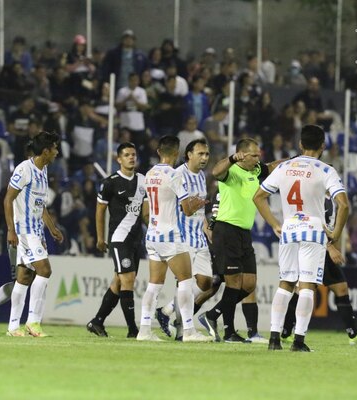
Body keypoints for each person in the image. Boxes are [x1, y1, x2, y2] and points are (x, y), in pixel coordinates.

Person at [253, 124, 350, 351]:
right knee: (307, 286)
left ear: (300, 144)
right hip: (313, 231)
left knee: (285, 283)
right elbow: (343, 204)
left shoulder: (285, 167)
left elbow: (258, 197)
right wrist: (335, 235)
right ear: (323, 146)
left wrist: (275, 223)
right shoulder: (325, 170)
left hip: (289, 229)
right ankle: (298, 341)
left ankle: (274, 339)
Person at [198, 138, 284, 343]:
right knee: (234, 282)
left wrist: (296, 160)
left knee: (249, 284)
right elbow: (216, 171)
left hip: (244, 233)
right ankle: (229, 332)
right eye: (254, 155)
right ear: (242, 155)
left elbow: (273, 166)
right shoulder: (232, 171)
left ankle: (212, 315)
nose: (258, 159)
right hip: (227, 230)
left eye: (258, 155)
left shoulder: (255, 170)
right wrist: (230, 159)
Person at [137, 135, 211, 342]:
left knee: (154, 285)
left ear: (159, 151)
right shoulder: (175, 175)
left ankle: (144, 330)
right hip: (170, 234)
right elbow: (186, 209)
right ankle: (188, 331)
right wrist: (197, 204)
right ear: (177, 153)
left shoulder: (150, 173)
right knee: (186, 282)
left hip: (152, 234)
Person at [279, 196, 357, 346]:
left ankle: (354, 334)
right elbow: (315, 225)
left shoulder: (328, 198)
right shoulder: (317, 198)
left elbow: (327, 226)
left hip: (323, 248)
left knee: (340, 288)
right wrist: (331, 248)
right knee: (305, 290)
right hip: (314, 248)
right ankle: (286, 332)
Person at [86, 142, 148, 338]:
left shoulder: (143, 181)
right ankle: (133, 330)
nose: (131, 158)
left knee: (119, 282)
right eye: (127, 155)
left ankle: (96, 321)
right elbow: (99, 212)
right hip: (119, 238)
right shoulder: (109, 182)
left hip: (137, 239)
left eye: (134, 154)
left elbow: (145, 213)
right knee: (128, 280)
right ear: (118, 159)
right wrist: (100, 238)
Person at [4, 131, 61, 337]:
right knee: (44, 270)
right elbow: (8, 199)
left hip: (37, 230)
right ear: (45, 151)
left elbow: (40, 205)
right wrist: (11, 229)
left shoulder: (43, 169)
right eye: (54, 148)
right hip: (25, 230)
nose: (57, 152)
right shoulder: (24, 169)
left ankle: (12, 327)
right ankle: (33, 322)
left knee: (24, 276)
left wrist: (52, 227)